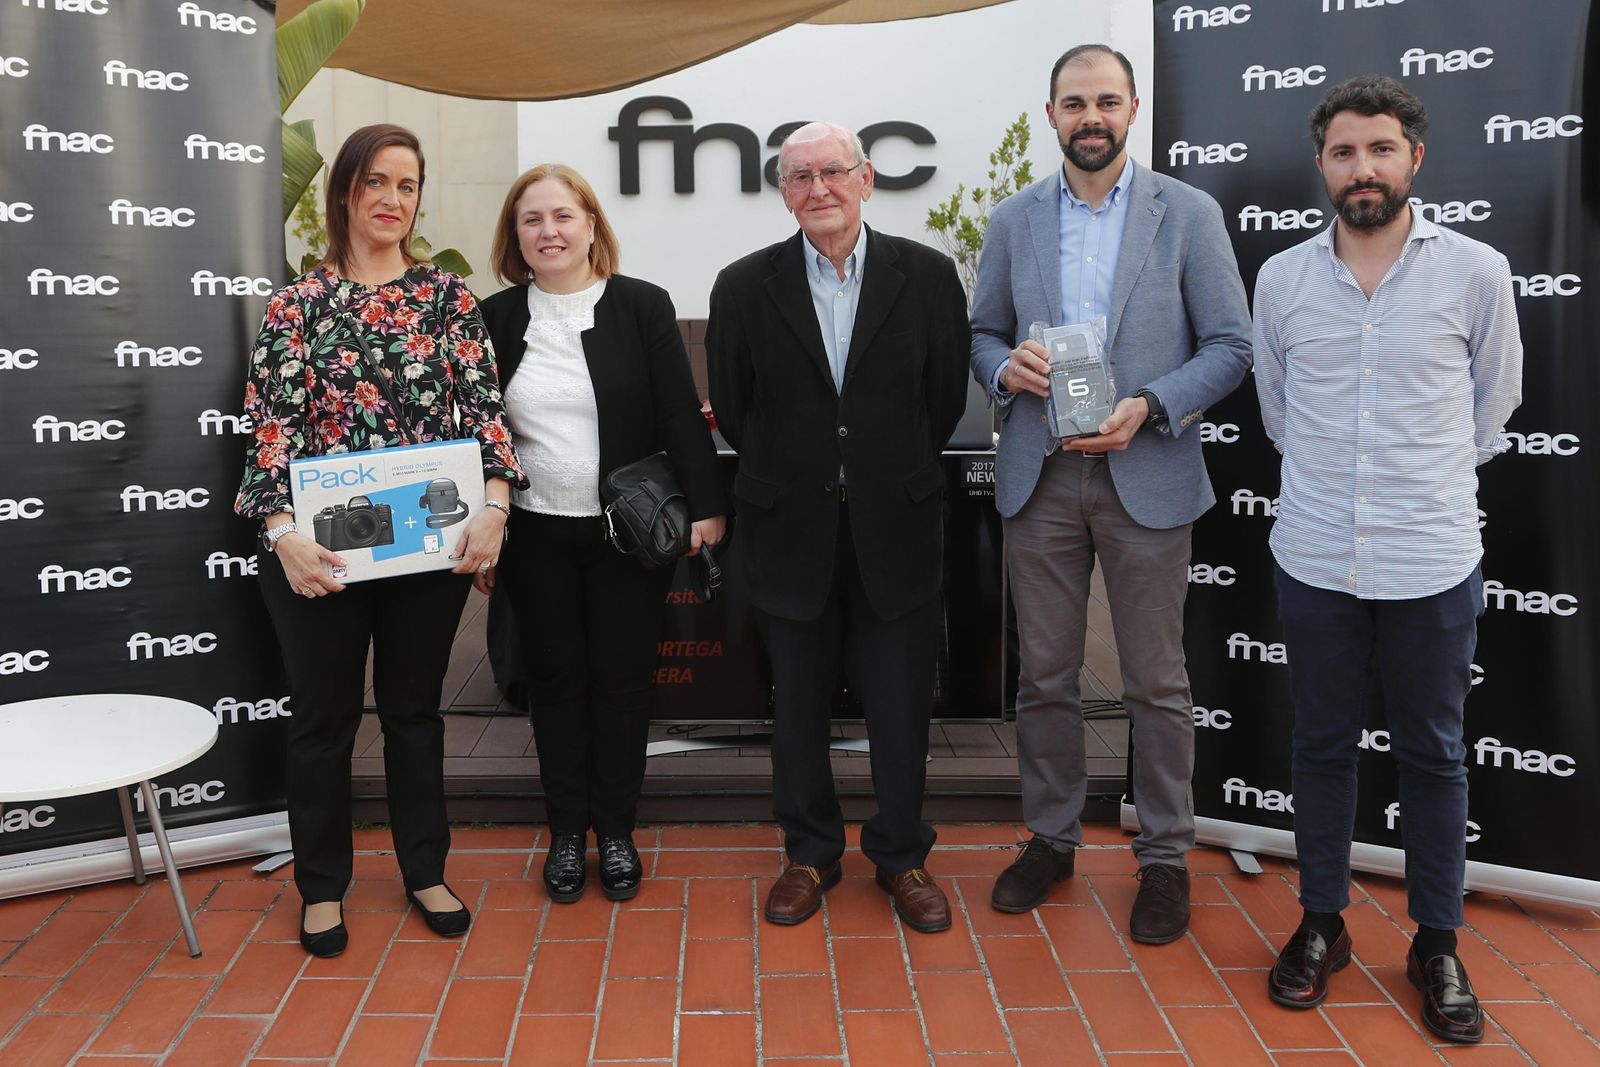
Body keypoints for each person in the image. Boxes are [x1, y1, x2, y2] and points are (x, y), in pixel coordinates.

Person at [1253, 75, 1521, 1044]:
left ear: (1415, 158)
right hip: (1317, 554)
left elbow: (1492, 409)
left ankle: (1435, 940)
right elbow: (1278, 413)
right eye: (1341, 152)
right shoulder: (1281, 278)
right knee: (1320, 746)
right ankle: (1321, 918)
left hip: (1431, 558)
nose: (1359, 168)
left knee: (1434, 755)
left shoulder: (1476, 272)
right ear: (1320, 165)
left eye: (1378, 149)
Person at [970, 45, 1252, 940]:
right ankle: (1050, 840)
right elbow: (981, 331)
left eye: (1105, 101)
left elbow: (1231, 346)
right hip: (1042, 474)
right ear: (1050, 113)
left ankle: (1165, 856)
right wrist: (1005, 368)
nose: (1089, 117)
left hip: (1147, 468)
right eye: (1073, 103)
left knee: (1156, 682)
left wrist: (1152, 405)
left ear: (1133, 109)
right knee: (1045, 677)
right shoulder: (1013, 218)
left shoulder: (1189, 213)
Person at [236, 124, 526, 958]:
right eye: (377, 182)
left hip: (427, 552)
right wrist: (282, 534)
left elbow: (484, 416)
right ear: (345, 194)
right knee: (322, 718)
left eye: (407, 185)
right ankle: (321, 885)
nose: (393, 200)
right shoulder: (298, 305)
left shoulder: (446, 299)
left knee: (413, 711)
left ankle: (424, 868)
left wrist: (496, 508)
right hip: (317, 552)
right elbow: (268, 430)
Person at [706, 121, 970, 934]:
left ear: (866, 181)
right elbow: (739, 406)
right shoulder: (743, 285)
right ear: (783, 192)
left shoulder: (925, 275)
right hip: (790, 528)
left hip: (897, 522)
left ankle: (901, 855)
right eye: (799, 176)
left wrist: (879, 468)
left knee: (899, 704)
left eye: (831, 171)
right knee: (797, 706)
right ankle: (810, 852)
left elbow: (944, 398)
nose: (816, 188)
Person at [478, 164, 727, 904]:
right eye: (532, 220)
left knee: (622, 683)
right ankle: (565, 834)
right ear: (515, 236)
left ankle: (614, 832)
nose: (548, 231)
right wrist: (480, 527)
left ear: (591, 224)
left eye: (563, 215)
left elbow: (680, 413)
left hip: (627, 535)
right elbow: (474, 431)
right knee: (555, 683)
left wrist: (706, 506)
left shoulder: (641, 306)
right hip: (534, 533)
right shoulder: (493, 317)